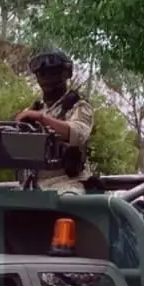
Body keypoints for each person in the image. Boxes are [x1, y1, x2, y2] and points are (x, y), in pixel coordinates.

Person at [16, 48, 95, 194]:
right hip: (33, 184)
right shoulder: (34, 108)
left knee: (69, 205)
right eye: (42, 74)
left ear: (66, 74)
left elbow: (77, 134)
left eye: (53, 72)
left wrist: (42, 118)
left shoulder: (78, 105)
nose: (47, 78)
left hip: (67, 182)